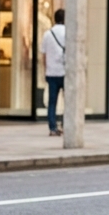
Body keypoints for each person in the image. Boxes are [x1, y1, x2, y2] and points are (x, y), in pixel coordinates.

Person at [41, 8, 66, 137]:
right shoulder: (68, 32)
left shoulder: (47, 34)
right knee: (68, 102)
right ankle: (66, 125)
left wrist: (46, 69)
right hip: (65, 72)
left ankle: (52, 127)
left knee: (52, 102)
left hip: (51, 72)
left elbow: (43, 56)